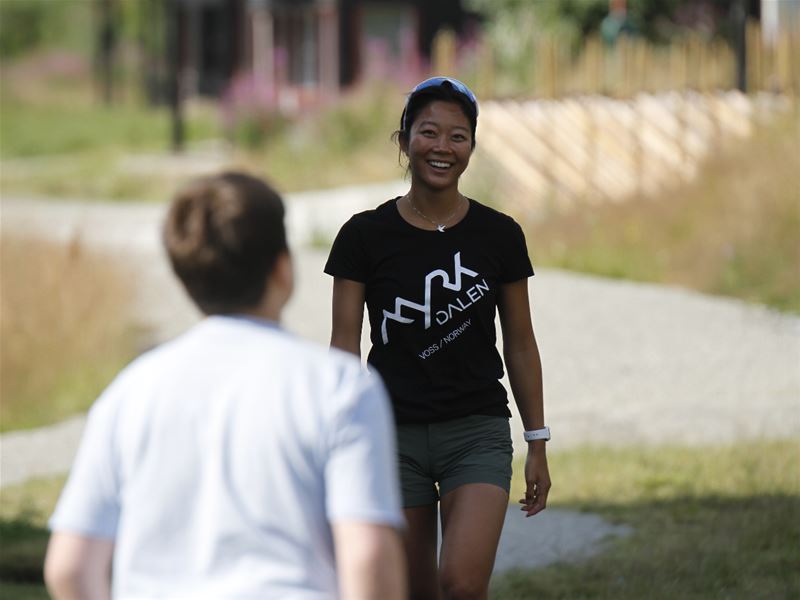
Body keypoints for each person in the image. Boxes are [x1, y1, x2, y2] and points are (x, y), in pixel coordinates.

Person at [44, 172, 407, 600]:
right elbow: (367, 556)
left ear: (185, 279)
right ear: (283, 269)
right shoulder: (339, 387)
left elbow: (69, 566)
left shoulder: (130, 391)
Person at [324, 77, 551, 599]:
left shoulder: (500, 234)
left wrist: (537, 440)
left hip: (476, 431)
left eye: (458, 136)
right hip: (391, 436)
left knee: (462, 586)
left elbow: (520, 342)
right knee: (413, 590)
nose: (443, 148)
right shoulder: (364, 235)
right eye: (429, 133)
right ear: (403, 141)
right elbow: (343, 347)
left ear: (471, 146)